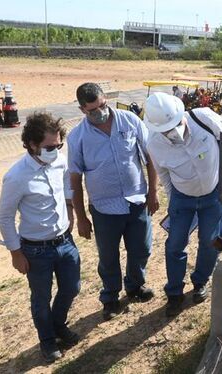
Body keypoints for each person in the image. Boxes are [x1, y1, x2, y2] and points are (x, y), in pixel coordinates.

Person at [68, 83, 160, 320]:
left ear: (105, 99)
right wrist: (81, 218)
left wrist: (153, 193)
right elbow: (75, 180)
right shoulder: (77, 137)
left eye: (102, 105)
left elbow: (151, 158)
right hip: (104, 208)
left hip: (136, 200)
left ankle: (135, 286)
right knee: (108, 257)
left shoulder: (130, 120)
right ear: (82, 109)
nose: (100, 111)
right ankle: (110, 297)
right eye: (93, 110)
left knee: (141, 248)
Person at [143, 92, 222, 317]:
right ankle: (174, 293)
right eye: (166, 128)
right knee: (175, 245)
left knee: (211, 241)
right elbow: (164, 175)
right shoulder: (155, 144)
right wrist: (173, 201)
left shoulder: (204, 119)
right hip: (182, 198)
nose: (173, 131)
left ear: (181, 113)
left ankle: (200, 281)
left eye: (176, 123)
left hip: (213, 195)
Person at [0, 112, 80, 363]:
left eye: (58, 145)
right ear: (32, 144)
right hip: (35, 250)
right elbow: (4, 217)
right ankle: (47, 340)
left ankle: (58, 325)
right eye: (49, 147)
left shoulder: (59, 161)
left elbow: (67, 183)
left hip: (65, 241)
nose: (55, 150)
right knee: (41, 298)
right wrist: (15, 253)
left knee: (72, 287)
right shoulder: (16, 176)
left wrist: (69, 208)